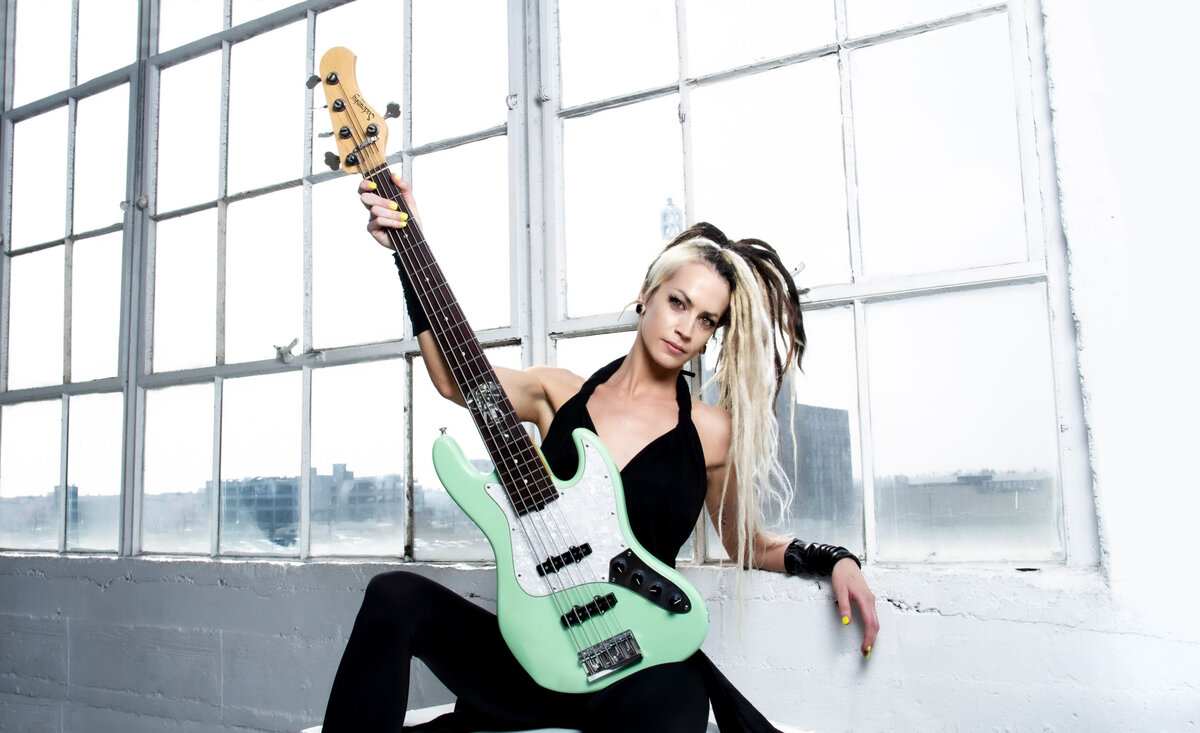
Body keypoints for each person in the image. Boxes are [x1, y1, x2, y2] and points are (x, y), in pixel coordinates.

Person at [320, 176, 880, 733]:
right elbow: (453, 377)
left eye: (706, 319)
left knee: (680, 693)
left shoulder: (713, 433)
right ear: (647, 295)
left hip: (635, 672)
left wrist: (832, 559)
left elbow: (744, 541)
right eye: (678, 303)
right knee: (393, 596)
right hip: (533, 659)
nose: (686, 328)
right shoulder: (558, 393)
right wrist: (407, 249)